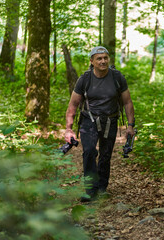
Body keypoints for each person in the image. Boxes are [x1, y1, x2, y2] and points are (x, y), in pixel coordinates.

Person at [64, 46, 135, 202]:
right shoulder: (85, 79)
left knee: (105, 154)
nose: (103, 61)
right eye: (99, 58)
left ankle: (102, 187)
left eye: (105, 58)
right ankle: (90, 190)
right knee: (89, 151)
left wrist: (130, 125)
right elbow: (73, 104)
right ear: (92, 61)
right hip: (89, 119)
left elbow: (128, 102)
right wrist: (68, 129)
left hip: (111, 120)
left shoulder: (117, 77)